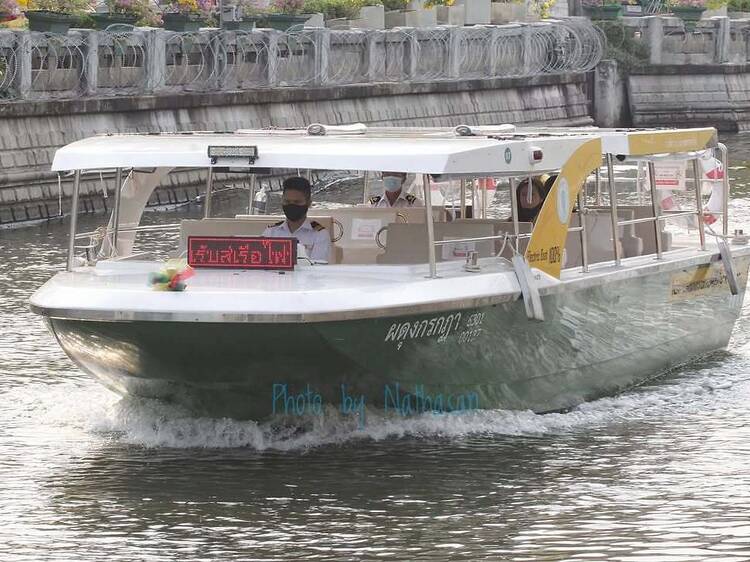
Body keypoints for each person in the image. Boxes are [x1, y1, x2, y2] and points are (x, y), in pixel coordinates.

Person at [263, 176, 331, 263]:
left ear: (309, 203)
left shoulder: (320, 235)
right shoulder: (270, 232)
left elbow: (317, 270)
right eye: (287, 202)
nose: (291, 206)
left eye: (297, 202)